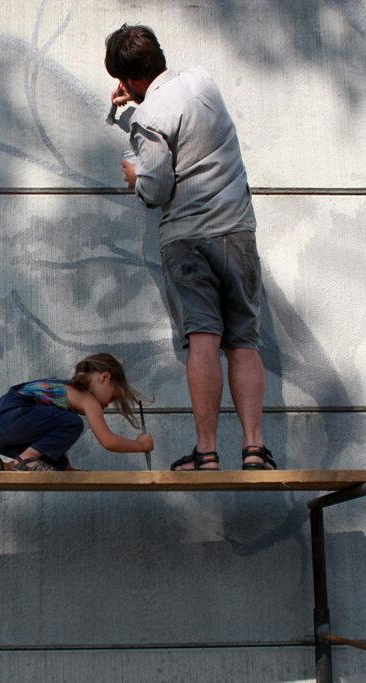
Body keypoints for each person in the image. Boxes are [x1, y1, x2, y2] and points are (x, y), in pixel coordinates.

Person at [104, 24, 277, 471]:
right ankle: (254, 448)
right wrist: (133, 114)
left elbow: (156, 189)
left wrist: (135, 176)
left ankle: (207, 451)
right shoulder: (203, 81)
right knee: (244, 341)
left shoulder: (148, 117)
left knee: (203, 339)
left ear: (127, 79)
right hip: (236, 231)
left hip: (187, 239)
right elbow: (187, 131)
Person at [0, 353, 153, 471]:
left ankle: (5, 467)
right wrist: (141, 445)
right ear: (104, 378)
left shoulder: (65, 391)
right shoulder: (87, 399)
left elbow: (52, 439)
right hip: (14, 419)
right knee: (73, 422)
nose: (108, 405)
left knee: (57, 463)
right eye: (113, 397)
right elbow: (109, 441)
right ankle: (26, 459)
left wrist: (67, 468)